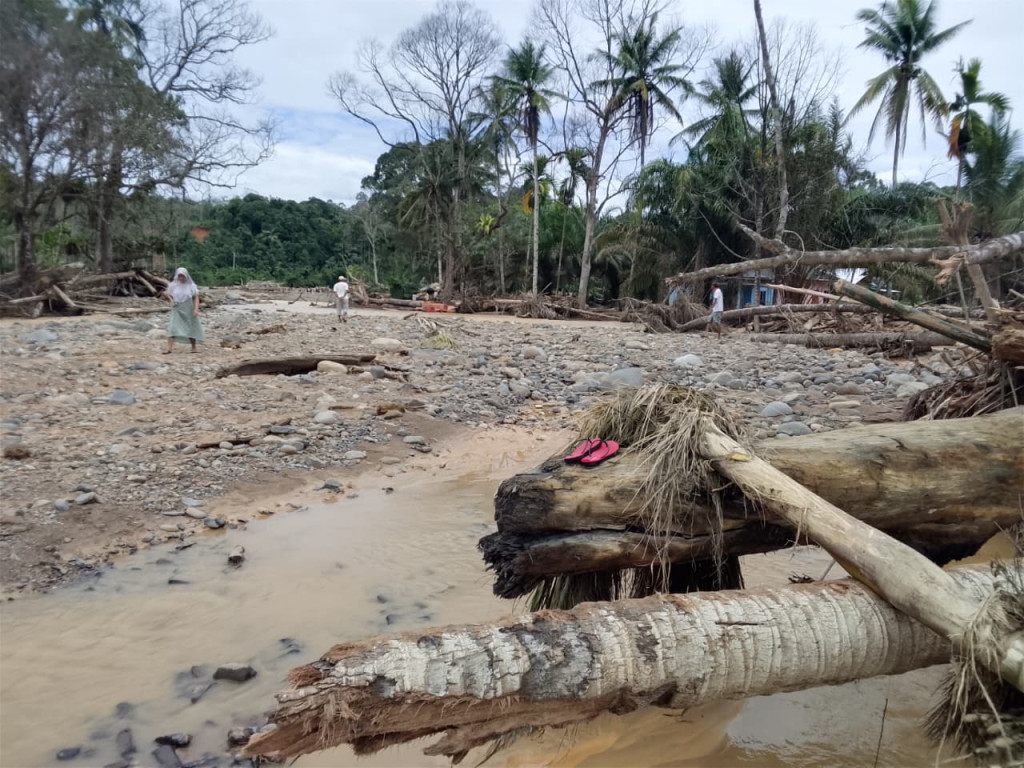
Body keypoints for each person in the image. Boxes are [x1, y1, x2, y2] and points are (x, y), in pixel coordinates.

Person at [161, 267, 204, 353]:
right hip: (177, 307)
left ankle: (193, 347)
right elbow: (167, 294)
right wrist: (171, 300)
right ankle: (169, 348)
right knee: (172, 327)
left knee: (191, 326)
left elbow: (196, 298)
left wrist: (196, 309)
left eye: (183, 276)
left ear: (186, 276)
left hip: (188, 307)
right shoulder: (173, 285)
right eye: (179, 276)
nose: (181, 278)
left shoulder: (191, 286)